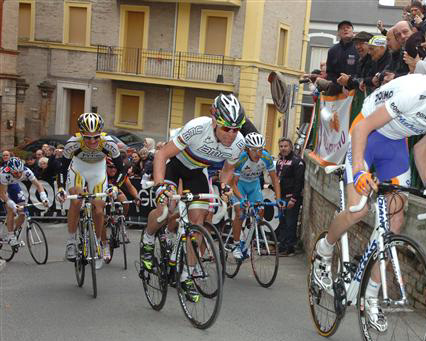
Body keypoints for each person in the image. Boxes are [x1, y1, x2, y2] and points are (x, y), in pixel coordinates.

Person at [313, 58, 426, 331]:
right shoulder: (417, 94)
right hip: (369, 132)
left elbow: (423, 150)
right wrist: (361, 171)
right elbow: (362, 128)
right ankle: (325, 247)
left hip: (396, 145)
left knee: (395, 222)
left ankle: (370, 297)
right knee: (358, 209)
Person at [139, 93, 245, 299]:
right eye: (226, 128)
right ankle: (148, 238)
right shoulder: (197, 127)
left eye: (236, 129)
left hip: (197, 173)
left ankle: (187, 275)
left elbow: (228, 169)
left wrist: (223, 185)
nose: (231, 134)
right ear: (214, 120)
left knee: (197, 223)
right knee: (165, 211)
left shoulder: (238, 143)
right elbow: (162, 155)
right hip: (175, 167)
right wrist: (161, 186)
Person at [57, 113, 127, 265]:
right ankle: (71, 242)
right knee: (76, 201)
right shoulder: (72, 143)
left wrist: (115, 187)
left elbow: (122, 169)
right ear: (81, 134)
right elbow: (62, 168)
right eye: (87, 137)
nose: (92, 141)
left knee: (99, 210)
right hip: (78, 170)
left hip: (98, 171)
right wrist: (61, 188)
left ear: (100, 133)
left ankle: (97, 243)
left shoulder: (108, 143)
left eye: (96, 137)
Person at [230, 132, 284, 259]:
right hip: (240, 185)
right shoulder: (241, 159)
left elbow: (275, 179)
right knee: (240, 212)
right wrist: (242, 199)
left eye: (260, 149)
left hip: (254, 185)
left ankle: (247, 240)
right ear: (247, 149)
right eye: (254, 150)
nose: (257, 153)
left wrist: (279, 198)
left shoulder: (266, 158)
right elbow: (233, 183)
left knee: (260, 212)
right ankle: (236, 244)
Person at [0, 158, 49, 247]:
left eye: (20, 172)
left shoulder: (26, 171)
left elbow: (38, 184)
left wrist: (44, 197)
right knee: (11, 209)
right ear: (10, 170)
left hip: (13, 184)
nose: (18, 174)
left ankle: (14, 231)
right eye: (15, 173)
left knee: (22, 212)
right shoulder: (4, 174)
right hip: (2, 186)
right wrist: (12, 204)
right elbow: (2, 194)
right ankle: (11, 236)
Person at [276, 137, 305, 256]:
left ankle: (289, 248)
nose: (283, 148)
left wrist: (293, 199)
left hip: (291, 198)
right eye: (281, 146)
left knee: (290, 223)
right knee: (281, 222)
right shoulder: (279, 161)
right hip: (281, 197)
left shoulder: (297, 161)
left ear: (291, 147)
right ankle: (282, 246)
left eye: (285, 146)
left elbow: (299, 182)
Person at [325, 20, 359, 95]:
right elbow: (330, 73)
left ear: (353, 32)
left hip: (356, 89)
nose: (345, 29)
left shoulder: (359, 48)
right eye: (342, 28)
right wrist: (339, 85)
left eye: (348, 27)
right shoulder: (332, 50)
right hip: (337, 91)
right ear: (338, 33)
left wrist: (349, 82)